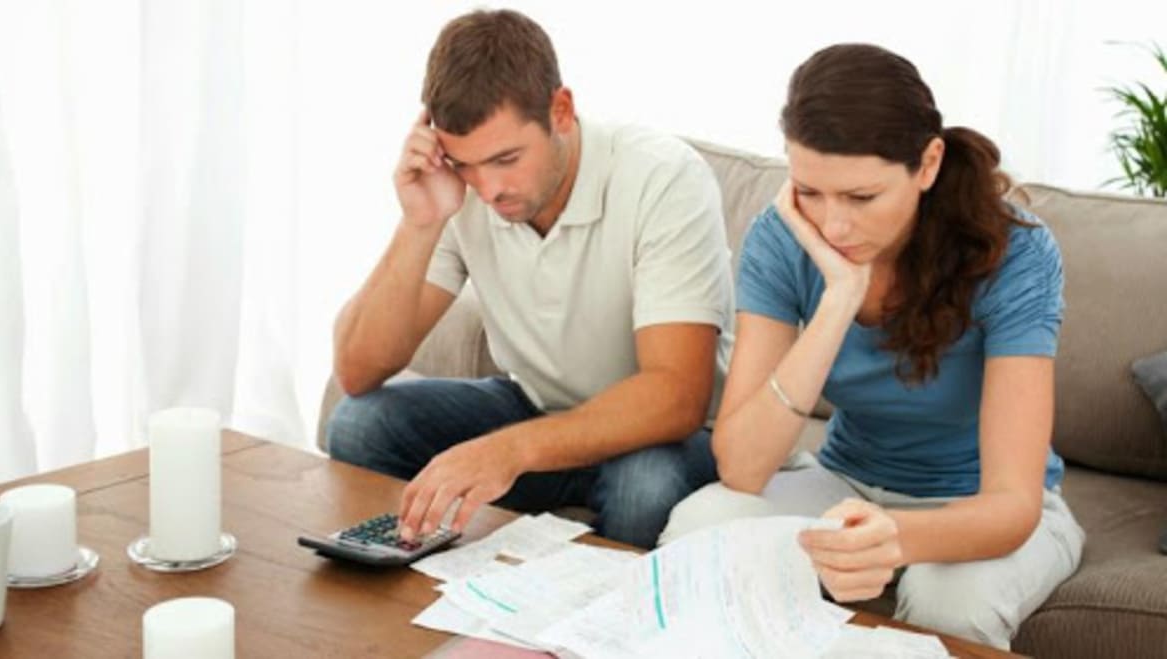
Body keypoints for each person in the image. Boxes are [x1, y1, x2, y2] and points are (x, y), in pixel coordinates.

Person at [660, 43, 1085, 648]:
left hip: (981, 505)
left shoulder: (1017, 252)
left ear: (928, 164)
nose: (833, 226)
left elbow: (1012, 504)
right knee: (699, 528)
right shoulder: (782, 239)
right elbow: (743, 468)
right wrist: (838, 300)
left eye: (861, 198)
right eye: (809, 191)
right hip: (848, 483)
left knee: (948, 603)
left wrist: (894, 536)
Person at [326, 9, 733, 549]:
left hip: (664, 437)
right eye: (466, 164)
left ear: (560, 110)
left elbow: (676, 395)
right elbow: (358, 371)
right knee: (359, 425)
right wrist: (419, 223)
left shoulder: (661, 177)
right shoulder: (461, 193)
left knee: (643, 487)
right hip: (537, 408)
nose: (488, 189)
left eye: (506, 159)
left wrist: (509, 451)